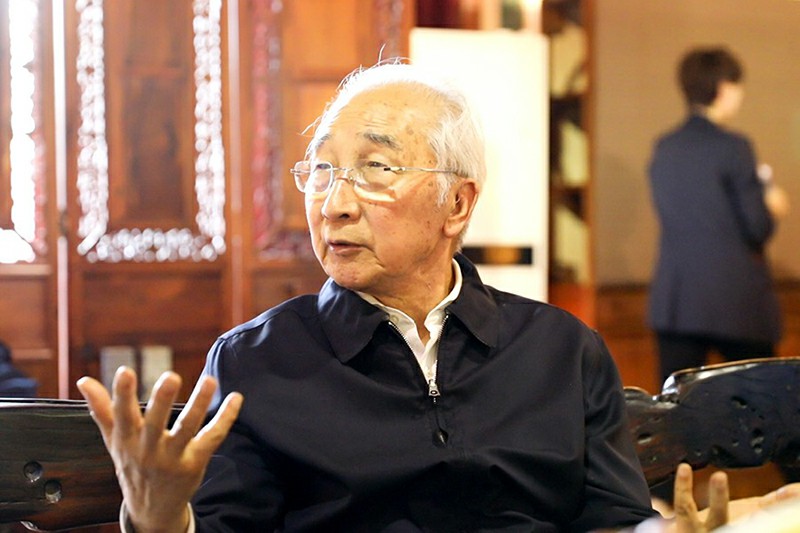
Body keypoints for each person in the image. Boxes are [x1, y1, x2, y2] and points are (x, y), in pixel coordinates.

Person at [77, 60, 799, 532]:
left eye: (375, 168)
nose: (334, 203)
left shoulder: (563, 349)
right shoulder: (254, 361)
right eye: (321, 171)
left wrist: (662, 529)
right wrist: (159, 516)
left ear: (457, 204)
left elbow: (611, 517)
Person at [648, 46, 790, 386]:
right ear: (724, 88)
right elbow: (757, 227)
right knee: (758, 405)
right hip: (735, 301)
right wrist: (773, 204)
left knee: (676, 408)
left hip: (676, 301)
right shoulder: (734, 148)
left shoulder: (665, 147)